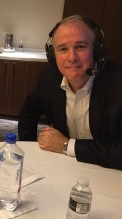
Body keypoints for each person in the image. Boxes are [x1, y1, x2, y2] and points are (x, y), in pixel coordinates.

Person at [18, 14, 122, 170]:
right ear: (53, 55)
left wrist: (66, 145)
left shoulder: (117, 84)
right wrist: (29, 154)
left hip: (109, 172)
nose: (72, 57)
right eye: (63, 49)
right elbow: (27, 113)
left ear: (96, 50)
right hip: (65, 167)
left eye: (80, 46)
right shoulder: (48, 79)